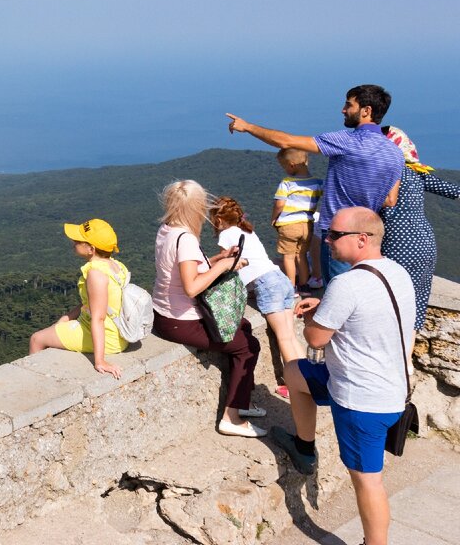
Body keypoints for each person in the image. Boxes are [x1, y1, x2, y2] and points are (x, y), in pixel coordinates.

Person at [270, 207, 415, 545]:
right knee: (295, 373)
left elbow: (316, 339)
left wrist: (311, 320)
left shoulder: (347, 283)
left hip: (361, 400)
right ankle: (305, 448)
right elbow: (368, 313)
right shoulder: (396, 272)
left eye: (335, 234)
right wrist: (324, 307)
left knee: (368, 481)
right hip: (391, 385)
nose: (327, 239)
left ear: (362, 240)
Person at [226, 84, 404, 283]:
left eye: (349, 105)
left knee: (338, 293)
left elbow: (287, 142)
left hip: (340, 234)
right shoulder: (395, 153)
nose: (343, 110)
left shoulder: (347, 140)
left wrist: (248, 127)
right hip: (369, 238)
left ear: (366, 111)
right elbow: (390, 199)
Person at [152, 180, 266, 438]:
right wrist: (224, 267)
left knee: (244, 327)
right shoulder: (187, 239)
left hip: (163, 314)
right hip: (182, 320)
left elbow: (185, 268)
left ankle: (242, 401)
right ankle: (232, 417)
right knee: (248, 347)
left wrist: (218, 258)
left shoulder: (167, 230)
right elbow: (192, 287)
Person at [210, 197, 305, 398]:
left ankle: (293, 386)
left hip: (267, 285)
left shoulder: (226, 234)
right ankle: (307, 380)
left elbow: (227, 265)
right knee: (291, 335)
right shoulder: (247, 230)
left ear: (218, 219)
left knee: (284, 338)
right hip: (281, 280)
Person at [379, 126, 460, 330]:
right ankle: (407, 360)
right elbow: (454, 191)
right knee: (413, 310)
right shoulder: (416, 172)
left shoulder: (387, 173)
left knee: (391, 307)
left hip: (398, 244)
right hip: (424, 243)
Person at [27, 218, 128, 378]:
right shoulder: (116, 265)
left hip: (108, 337)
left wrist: (100, 361)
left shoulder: (96, 274)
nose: (74, 242)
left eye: (79, 240)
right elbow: (92, 303)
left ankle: (34, 382)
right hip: (117, 332)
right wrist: (66, 317)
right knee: (57, 327)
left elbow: (99, 318)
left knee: (36, 339)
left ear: (91, 249)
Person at [271, 148, 323, 290]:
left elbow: (279, 204)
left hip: (289, 225)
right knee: (301, 255)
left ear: (292, 165)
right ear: (306, 161)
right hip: (307, 225)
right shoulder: (317, 182)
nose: (284, 169)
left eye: (284, 166)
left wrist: (274, 218)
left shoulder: (287, 183)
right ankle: (304, 285)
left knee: (288, 257)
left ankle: (291, 286)